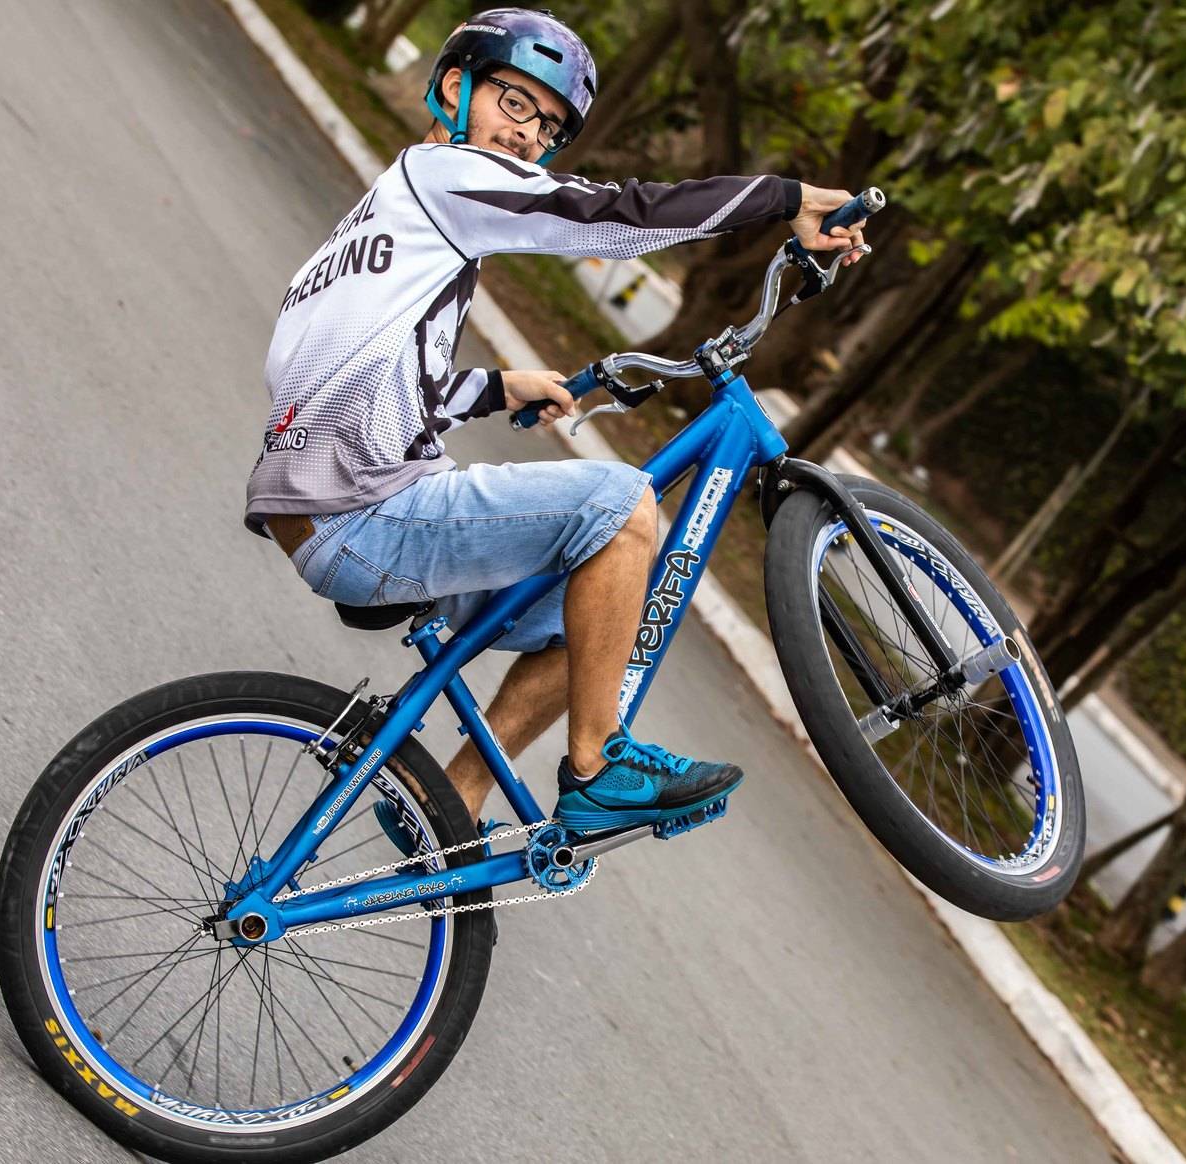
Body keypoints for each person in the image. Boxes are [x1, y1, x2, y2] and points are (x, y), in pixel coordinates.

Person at [244, 8, 865, 841]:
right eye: (515, 103)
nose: (529, 136)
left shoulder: (389, 216)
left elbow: (364, 380)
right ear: (456, 88)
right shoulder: (447, 177)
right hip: (362, 516)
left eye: (548, 127)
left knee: (607, 602)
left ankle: (453, 795)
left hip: (336, 507)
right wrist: (784, 199)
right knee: (623, 500)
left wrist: (496, 388)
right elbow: (611, 214)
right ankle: (599, 767)